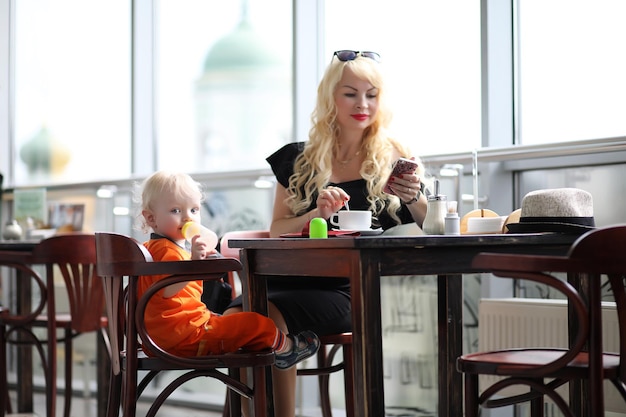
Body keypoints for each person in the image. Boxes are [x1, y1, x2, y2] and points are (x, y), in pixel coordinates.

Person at [224, 50, 428, 417]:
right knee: (242, 319)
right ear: (330, 96)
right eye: (350, 93)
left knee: (260, 318)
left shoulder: (394, 156)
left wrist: (413, 197)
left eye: (372, 94)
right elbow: (276, 230)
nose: (362, 104)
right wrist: (314, 214)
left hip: (353, 289)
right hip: (287, 280)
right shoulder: (298, 159)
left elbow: (432, 225)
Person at [133, 170, 320, 368]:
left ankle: (266, 346)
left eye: (194, 210)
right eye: (176, 211)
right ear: (151, 219)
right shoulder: (166, 251)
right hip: (185, 337)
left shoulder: (152, 249)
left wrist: (202, 260)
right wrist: (195, 264)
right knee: (254, 323)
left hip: (161, 339)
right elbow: (166, 288)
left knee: (232, 324)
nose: (188, 218)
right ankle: (287, 348)